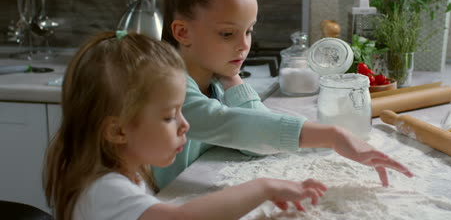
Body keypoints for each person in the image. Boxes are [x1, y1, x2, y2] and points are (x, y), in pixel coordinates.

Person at [157, 0, 413, 188]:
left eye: (249, 30)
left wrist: (232, 79)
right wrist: (332, 135)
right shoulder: (168, 89)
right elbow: (231, 125)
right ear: (182, 32)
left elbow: (255, 145)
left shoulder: (214, 81)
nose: (244, 45)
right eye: (227, 33)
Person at [43, 31, 328, 220]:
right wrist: (264, 188)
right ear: (117, 131)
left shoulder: (125, 175)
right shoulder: (105, 190)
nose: (185, 125)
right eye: (169, 116)